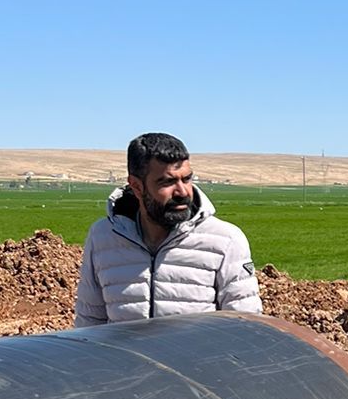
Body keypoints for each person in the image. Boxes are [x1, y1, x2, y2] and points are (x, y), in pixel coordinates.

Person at [73, 132, 261, 324]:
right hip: (124, 355)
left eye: (186, 179)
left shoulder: (225, 241)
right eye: (167, 182)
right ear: (136, 186)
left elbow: (244, 326)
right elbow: (89, 325)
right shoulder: (103, 237)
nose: (182, 192)